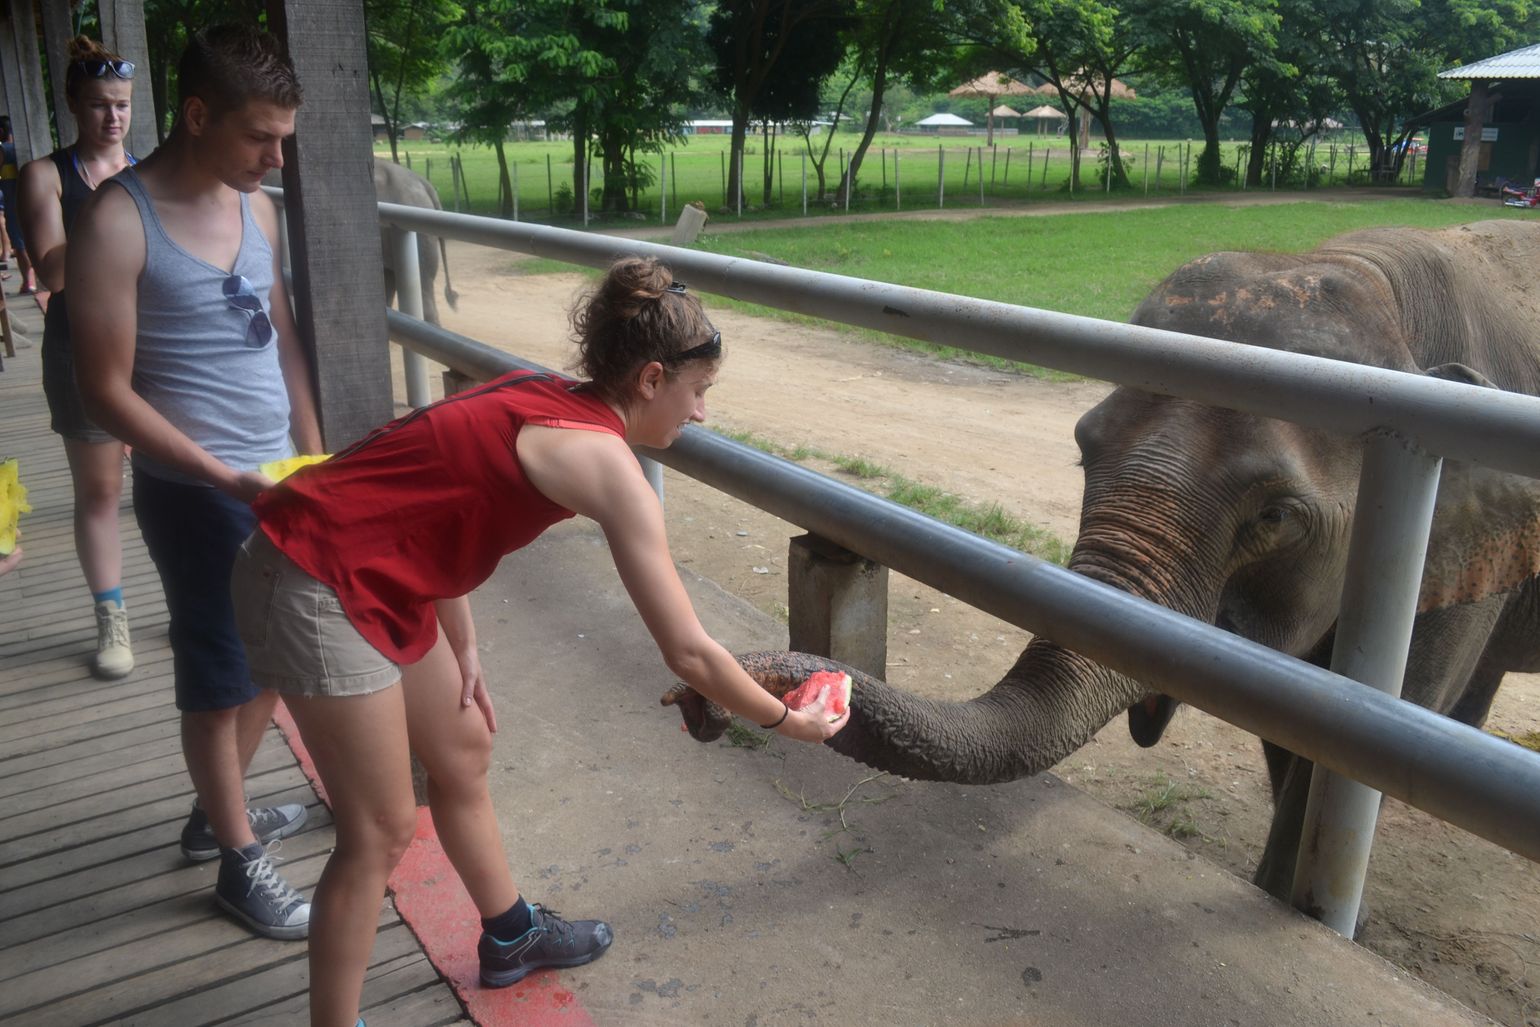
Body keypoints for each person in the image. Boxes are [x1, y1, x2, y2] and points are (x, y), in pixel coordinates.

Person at [228, 257, 848, 1027]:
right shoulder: (605, 463)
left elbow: (433, 509)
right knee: (379, 829)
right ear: (653, 378)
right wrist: (792, 724)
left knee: (459, 748)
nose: (702, 415)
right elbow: (688, 654)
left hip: (377, 572)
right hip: (310, 576)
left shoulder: (549, 394)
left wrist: (467, 647)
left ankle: (511, 933)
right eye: (700, 393)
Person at [68, 25, 321, 939]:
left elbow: (283, 333)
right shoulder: (117, 220)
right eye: (261, 136)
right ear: (199, 114)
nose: (276, 155)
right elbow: (103, 387)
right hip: (196, 490)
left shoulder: (253, 205)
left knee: (281, 658)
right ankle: (238, 863)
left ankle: (218, 811)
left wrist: (312, 453)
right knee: (219, 678)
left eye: (284, 137)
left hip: (277, 477)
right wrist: (223, 475)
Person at [20, 36, 140, 679]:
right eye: (98, 105)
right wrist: (120, 220)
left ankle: (189, 598)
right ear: (73, 104)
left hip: (157, 345)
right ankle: (110, 616)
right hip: (80, 349)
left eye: (121, 105)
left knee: (175, 479)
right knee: (99, 490)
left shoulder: (152, 169)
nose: (112, 119)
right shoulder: (46, 175)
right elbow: (54, 270)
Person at [0, 116, 39, 295]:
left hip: (13, 201)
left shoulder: (3, 150)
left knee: (19, 242)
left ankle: (28, 281)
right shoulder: (28, 147)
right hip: (32, 198)